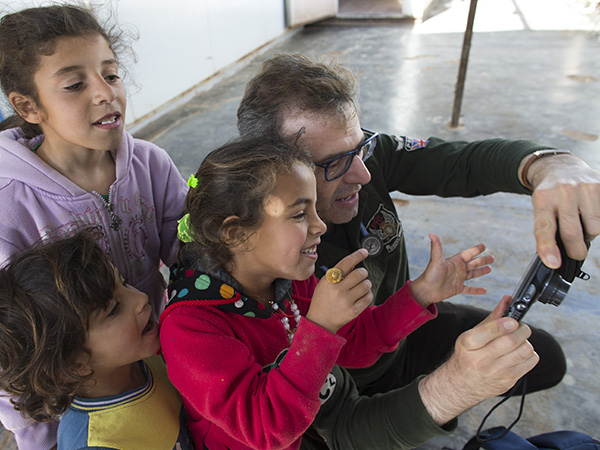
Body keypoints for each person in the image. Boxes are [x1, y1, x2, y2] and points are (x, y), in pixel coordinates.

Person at [236, 53, 600, 445]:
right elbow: (345, 427)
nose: (363, 173)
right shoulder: (255, 269)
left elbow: (461, 163)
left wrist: (549, 165)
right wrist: (456, 385)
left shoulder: (362, 158)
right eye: (335, 163)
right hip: (336, 390)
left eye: (360, 147)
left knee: (541, 359)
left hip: (402, 330)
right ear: (272, 172)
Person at [158, 136, 528, 450]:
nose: (320, 226)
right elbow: (265, 426)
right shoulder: (190, 328)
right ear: (235, 233)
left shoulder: (289, 280)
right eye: (300, 215)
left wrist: (419, 294)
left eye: (314, 209)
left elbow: (356, 341)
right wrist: (318, 326)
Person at [0, 5, 187, 448]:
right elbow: (10, 346)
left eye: (112, 74)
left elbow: (191, 255)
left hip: (154, 357)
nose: (105, 94)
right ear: (28, 106)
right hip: (76, 403)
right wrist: (37, 436)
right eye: (74, 84)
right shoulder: (10, 205)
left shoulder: (150, 164)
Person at [0, 228, 194, 450]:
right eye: (113, 309)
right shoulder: (94, 443)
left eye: (125, 283)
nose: (140, 298)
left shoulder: (145, 358)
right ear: (75, 362)